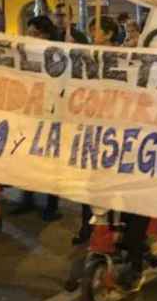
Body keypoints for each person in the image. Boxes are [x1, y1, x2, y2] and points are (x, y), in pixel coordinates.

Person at [71, 16, 121, 246]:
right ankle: (87, 227)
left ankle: (114, 228)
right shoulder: (89, 55)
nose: (92, 34)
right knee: (88, 181)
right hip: (91, 122)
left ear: (109, 34)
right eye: (90, 30)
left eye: (96, 30)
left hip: (114, 126)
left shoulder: (121, 56)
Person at [13, 15, 64, 222]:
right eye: (29, 33)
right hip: (32, 111)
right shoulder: (28, 53)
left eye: (35, 33)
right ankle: (28, 198)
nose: (30, 36)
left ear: (47, 33)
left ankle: (52, 205)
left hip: (54, 113)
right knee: (28, 157)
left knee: (51, 161)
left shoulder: (59, 54)